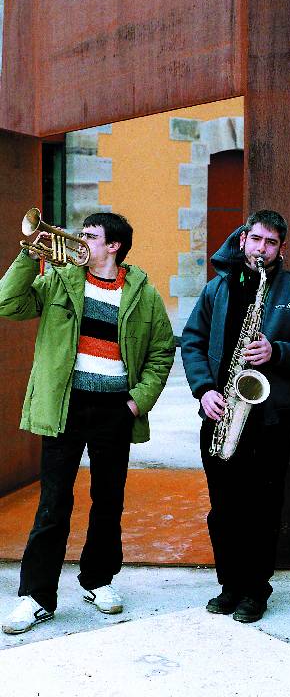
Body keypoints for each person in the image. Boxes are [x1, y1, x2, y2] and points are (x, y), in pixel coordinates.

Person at [0, 213, 175, 634]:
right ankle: (36, 596)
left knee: (108, 501)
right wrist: (29, 255)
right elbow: (8, 303)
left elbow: (162, 350)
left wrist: (136, 402)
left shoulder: (143, 293)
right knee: (53, 501)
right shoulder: (59, 279)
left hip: (115, 409)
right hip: (66, 406)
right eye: (80, 234)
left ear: (114, 246)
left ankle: (98, 581)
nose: (79, 241)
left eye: (90, 236)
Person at [181, 209, 290, 623]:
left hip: (271, 418)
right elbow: (192, 342)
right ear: (243, 239)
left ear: (282, 248)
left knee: (263, 507)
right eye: (257, 239)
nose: (262, 249)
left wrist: (275, 351)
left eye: (271, 243)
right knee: (223, 506)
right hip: (221, 409)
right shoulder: (216, 289)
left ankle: (255, 590)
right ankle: (230, 585)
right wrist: (205, 390)